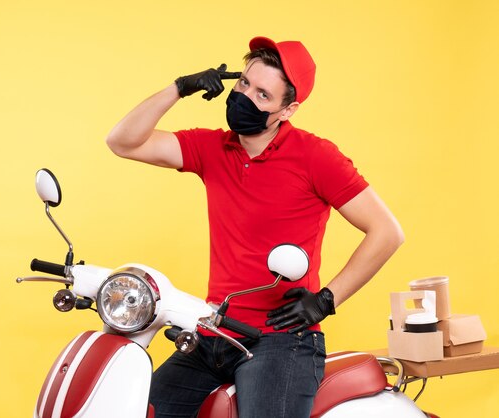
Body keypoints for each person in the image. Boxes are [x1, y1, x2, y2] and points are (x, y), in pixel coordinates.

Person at [106, 36, 404, 418]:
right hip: (214, 333)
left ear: (288, 109)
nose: (245, 97)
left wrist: (327, 299)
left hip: (281, 341)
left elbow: (387, 232)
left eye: (263, 95)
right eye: (244, 84)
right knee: (135, 408)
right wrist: (179, 88)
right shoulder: (211, 148)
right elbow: (122, 142)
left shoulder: (316, 157)